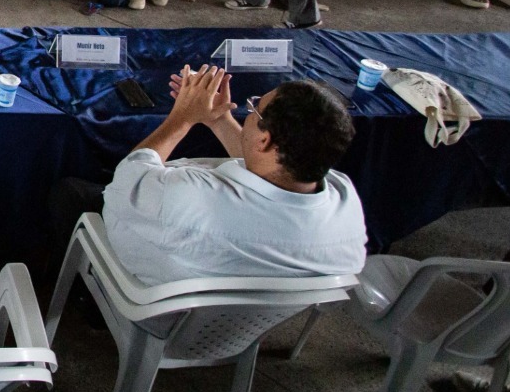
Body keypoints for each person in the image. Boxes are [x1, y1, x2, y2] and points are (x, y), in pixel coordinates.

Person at [66, 66, 367, 287]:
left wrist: (181, 118)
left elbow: (128, 179)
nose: (249, 112)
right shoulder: (346, 206)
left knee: (71, 193)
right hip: (240, 323)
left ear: (265, 141)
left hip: (155, 308)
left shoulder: (194, 197)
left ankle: (87, 298)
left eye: (254, 110)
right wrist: (219, 120)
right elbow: (269, 168)